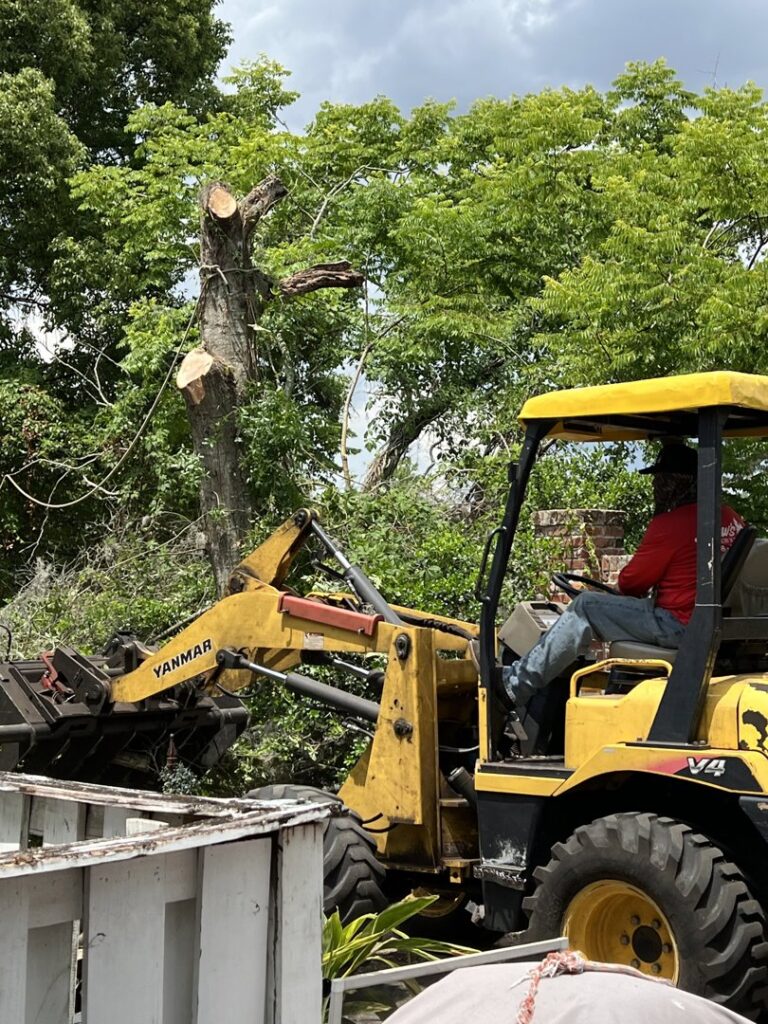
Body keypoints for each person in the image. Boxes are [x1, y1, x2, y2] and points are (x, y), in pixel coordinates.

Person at [490, 442, 745, 711]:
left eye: (661, 479)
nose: (656, 486)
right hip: (709, 623)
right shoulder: (731, 518)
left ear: (676, 483)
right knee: (592, 605)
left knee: (585, 607)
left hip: (678, 625)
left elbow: (632, 584)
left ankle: (515, 684)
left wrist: (604, 593)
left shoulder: (672, 524)